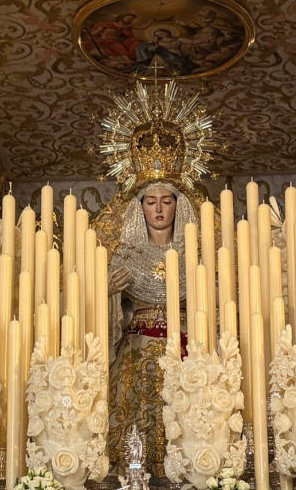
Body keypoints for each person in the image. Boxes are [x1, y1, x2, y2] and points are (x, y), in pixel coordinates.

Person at [106, 181, 197, 476]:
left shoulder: (195, 256)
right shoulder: (127, 256)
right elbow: (109, 316)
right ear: (140, 207)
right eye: (151, 201)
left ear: (178, 205)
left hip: (185, 350)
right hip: (136, 351)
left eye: (166, 200)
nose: (158, 209)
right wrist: (106, 292)